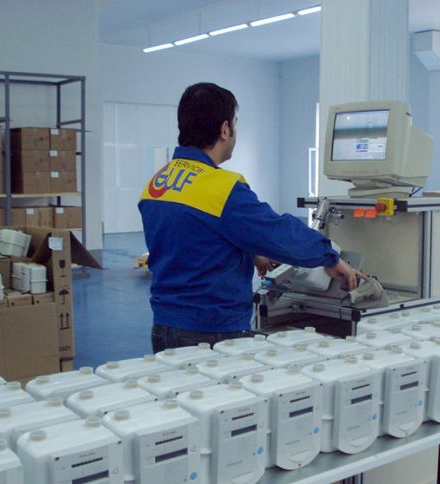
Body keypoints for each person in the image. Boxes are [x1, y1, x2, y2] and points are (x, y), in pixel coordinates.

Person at [139, 82, 364, 352]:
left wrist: (251, 252)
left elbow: (193, 239)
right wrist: (329, 257)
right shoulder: (221, 188)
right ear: (225, 129)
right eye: (235, 122)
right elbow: (278, 233)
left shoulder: (158, 183)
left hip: (164, 327)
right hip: (211, 331)